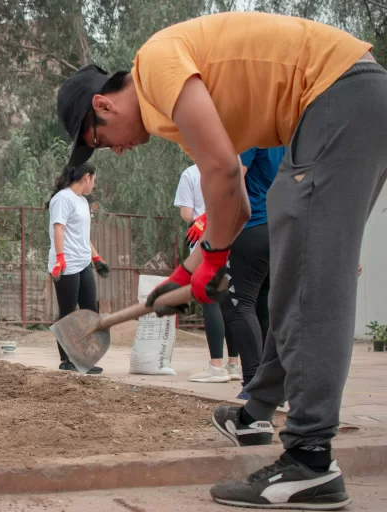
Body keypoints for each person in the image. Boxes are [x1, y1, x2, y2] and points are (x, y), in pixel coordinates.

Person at [56, 11, 387, 509]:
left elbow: (225, 173)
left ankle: (311, 459)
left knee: (311, 284)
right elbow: (236, 204)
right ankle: (257, 410)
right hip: (333, 103)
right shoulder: (172, 106)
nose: (115, 152)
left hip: (337, 95)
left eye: (100, 139)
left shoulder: (156, 66)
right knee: (294, 264)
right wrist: (190, 269)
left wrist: (209, 260)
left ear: (103, 104)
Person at [189, 147, 286, 400]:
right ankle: (270, 383)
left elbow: (233, 179)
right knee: (262, 306)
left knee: (237, 305)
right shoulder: (282, 137)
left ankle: (254, 383)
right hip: (277, 227)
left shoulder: (252, 135)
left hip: (250, 227)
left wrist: (211, 221)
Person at [174, 164, 237, 383]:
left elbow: (187, 213)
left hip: (206, 246)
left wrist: (200, 218)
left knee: (211, 301)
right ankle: (234, 363)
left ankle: (216, 365)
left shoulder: (190, 173)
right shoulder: (230, 167)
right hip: (233, 240)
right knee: (230, 303)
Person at [47, 162, 110, 374]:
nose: (94, 184)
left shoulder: (82, 201)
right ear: (87, 177)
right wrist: (60, 258)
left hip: (83, 262)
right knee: (67, 311)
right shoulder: (62, 199)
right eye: (94, 180)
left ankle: (84, 358)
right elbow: (59, 229)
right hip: (66, 264)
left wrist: (96, 257)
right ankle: (67, 360)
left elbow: (82, 235)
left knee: (90, 310)